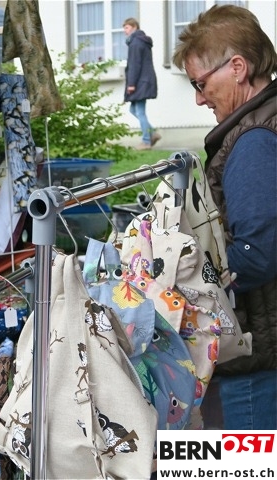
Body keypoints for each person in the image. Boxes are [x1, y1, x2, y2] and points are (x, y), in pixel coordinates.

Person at [172, 4, 277, 430]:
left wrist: (182, 277)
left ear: (237, 67)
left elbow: (254, 255)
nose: (199, 98)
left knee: (246, 464)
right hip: (263, 354)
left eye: (200, 83)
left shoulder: (253, 142)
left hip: (256, 365)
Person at [123, 18, 161, 150]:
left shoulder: (136, 42)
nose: (125, 31)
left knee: (140, 112)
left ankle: (146, 141)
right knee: (134, 110)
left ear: (134, 27)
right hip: (144, 81)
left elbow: (135, 64)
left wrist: (131, 84)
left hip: (140, 82)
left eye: (127, 28)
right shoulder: (140, 41)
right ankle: (153, 133)